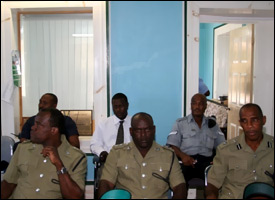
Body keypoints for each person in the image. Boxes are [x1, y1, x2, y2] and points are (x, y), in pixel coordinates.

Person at [1, 108, 87, 199]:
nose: (33, 127)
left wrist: (59, 165)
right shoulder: (23, 149)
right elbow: (8, 185)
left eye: (38, 125)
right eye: (34, 123)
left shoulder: (76, 157)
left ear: (53, 130)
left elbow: (74, 196)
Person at [98, 112, 187, 199]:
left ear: (154, 130)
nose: (143, 135)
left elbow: (180, 186)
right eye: (138, 131)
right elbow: (106, 183)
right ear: (131, 131)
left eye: (147, 130)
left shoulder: (168, 155)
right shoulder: (117, 153)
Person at [205, 103, 274, 199]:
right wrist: (211, 196)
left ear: (263, 120)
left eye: (254, 120)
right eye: (244, 121)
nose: (249, 125)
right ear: (240, 123)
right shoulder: (226, 151)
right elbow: (213, 184)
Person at [166, 93, 225, 187]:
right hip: (186, 162)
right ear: (191, 105)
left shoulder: (212, 125)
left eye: (201, 104)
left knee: (216, 184)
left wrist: (217, 159)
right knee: (179, 185)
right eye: (194, 103)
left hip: (206, 163)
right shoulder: (180, 123)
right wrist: (183, 156)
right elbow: (172, 145)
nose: (197, 106)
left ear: (205, 106)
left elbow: (223, 146)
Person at [90, 93, 132, 162]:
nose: (118, 109)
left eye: (121, 106)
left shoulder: (134, 124)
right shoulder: (104, 124)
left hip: (129, 163)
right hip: (109, 162)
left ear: (127, 105)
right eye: (115, 107)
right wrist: (102, 152)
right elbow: (95, 144)